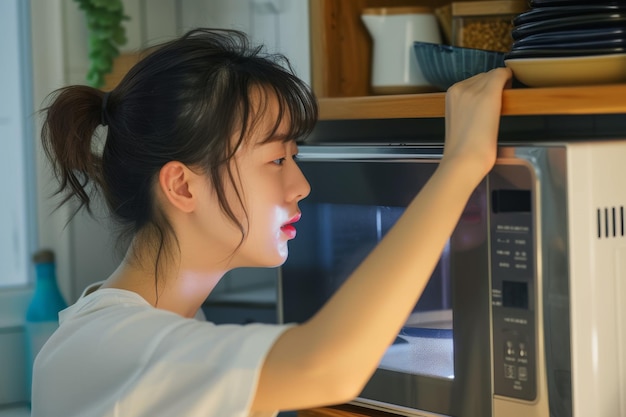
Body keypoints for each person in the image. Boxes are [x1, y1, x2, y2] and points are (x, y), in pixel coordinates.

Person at [32, 28, 512, 417]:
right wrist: (460, 164)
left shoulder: (158, 327)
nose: (301, 184)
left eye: (293, 156)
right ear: (181, 186)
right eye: (276, 160)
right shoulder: (105, 348)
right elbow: (327, 367)